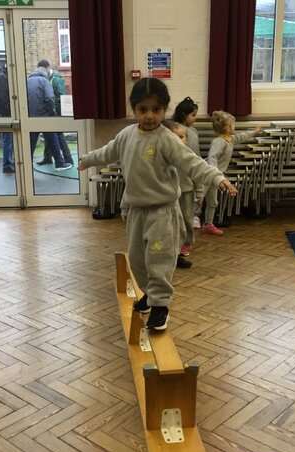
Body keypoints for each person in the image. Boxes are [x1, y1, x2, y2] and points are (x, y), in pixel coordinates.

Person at [78, 78, 237, 331]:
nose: (150, 115)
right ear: (134, 109)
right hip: (137, 210)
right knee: (138, 261)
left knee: (159, 259)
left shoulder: (167, 139)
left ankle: (161, 305)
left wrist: (218, 178)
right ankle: (150, 295)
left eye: (156, 109)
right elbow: (108, 152)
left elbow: (193, 163)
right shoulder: (127, 135)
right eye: (143, 109)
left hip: (162, 212)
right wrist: (87, 159)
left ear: (164, 110)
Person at [202, 111, 262, 235]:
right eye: (232, 124)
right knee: (198, 199)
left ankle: (208, 224)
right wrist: (216, 174)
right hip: (207, 175)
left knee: (213, 202)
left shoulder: (230, 140)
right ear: (227, 128)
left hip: (216, 177)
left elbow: (242, 136)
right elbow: (212, 157)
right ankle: (189, 222)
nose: (234, 126)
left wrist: (255, 131)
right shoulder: (218, 142)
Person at [162, 119, 201, 269]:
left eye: (181, 136)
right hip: (168, 197)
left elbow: (198, 173)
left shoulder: (188, 156)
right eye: (175, 137)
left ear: (187, 139)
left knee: (186, 221)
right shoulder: (164, 155)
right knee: (170, 224)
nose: (178, 140)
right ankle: (171, 253)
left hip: (186, 193)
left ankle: (184, 245)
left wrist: (200, 191)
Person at [27, 65, 72, 171]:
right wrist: (52, 112)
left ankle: (27, 165)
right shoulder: (44, 81)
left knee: (31, 143)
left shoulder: (27, 81)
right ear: (45, 72)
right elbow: (49, 97)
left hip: (31, 117)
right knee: (53, 139)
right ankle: (60, 163)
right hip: (45, 116)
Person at [172, 97, 203, 228]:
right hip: (179, 172)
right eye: (193, 115)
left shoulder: (193, 131)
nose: (195, 118)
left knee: (192, 194)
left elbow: (195, 152)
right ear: (184, 115)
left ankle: (194, 215)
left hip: (191, 167)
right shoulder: (174, 128)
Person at [0, 64, 14, 173]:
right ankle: (7, 164)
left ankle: (9, 162)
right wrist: (8, 111)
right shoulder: (2, 76)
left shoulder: (2, 75)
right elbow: (2, 97)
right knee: (7, 138)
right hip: (5, 112)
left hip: (4, 111)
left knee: (8, 138)